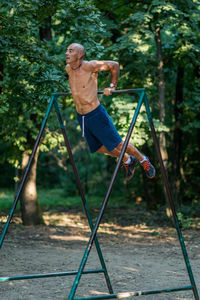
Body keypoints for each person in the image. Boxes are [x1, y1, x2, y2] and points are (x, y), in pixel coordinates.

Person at [65, 43, 155, 180]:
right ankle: (128, 160)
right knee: (99, 148)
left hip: (95, 114)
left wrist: (112, 86)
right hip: (81, 116)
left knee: (118, 144)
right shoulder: (68, 69)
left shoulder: (90, 66)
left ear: (80, 55)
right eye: (67, 51)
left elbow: (114, 65)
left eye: (71, 51)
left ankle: (142, 159)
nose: (67, 53)